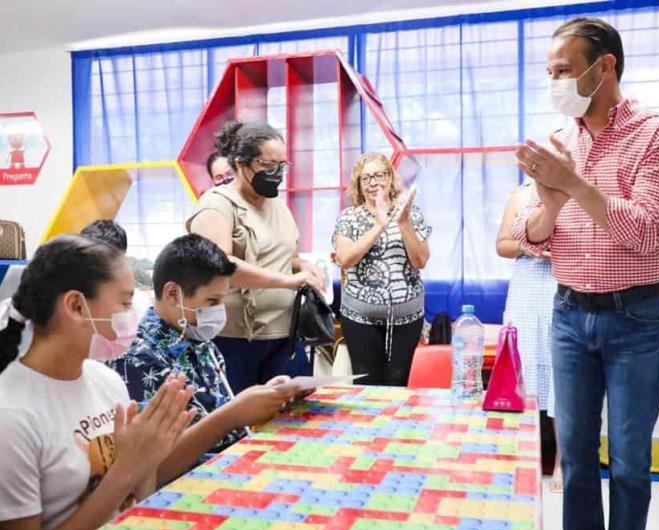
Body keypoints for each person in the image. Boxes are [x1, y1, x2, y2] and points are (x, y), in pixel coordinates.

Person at [512, 17, 659, 530]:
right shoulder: (559, 141)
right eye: (549, 72)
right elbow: (533, 238)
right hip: (568, 314)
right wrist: (551, 203)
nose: (554, 82)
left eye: (563, 70)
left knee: (632, 462)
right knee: (576, 453)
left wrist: (573, 184)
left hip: (634, 318)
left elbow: (649, 230)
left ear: (604, 65)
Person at [0, 235, 195, 530]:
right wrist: (127, 469)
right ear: (76, 306)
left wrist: (147, 458)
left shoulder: (105, 379)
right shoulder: (11, 417)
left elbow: (136, 503)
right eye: (126, 302)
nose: (133, 315)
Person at [109, 233, 297, 464]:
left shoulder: (200, 342)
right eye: (212, 302)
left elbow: (211, 413)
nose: (219, 312)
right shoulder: (137, 358)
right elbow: (156, 464)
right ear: (172, 294)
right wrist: (232, 415)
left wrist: (260, 399)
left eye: (222, 301)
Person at [188, 121, 324, 393]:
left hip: (285, 334)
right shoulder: (217, 204)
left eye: (282, 166)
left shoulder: (278, 206)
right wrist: (287, 281)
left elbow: (289, 256)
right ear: (241, 164)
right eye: (267, 165)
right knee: (240, 422)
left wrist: (306, 267)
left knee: (293, 415)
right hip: (235, 338)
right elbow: (218, 263)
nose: (276, 173)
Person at [333, 152, 431, 386]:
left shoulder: (411, 213)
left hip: (407, 316)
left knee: (399, 381)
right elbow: (345, 259)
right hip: (360, 317)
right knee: (366, 381)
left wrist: (403, 223)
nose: (373, 182)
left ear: (390, 178)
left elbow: (420, 261)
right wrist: (379, 224)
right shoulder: (349, 217)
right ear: (358, 185)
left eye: (379, 175)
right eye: (366, 178)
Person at [496, 181, 561, 492]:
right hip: (526, 291)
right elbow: (502, 244)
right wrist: (529, 247)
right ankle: (526, 461)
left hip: (564, 288)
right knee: (524, 375)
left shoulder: (574, 192)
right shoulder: (520, 194)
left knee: (564, 380)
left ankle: (564, 464)